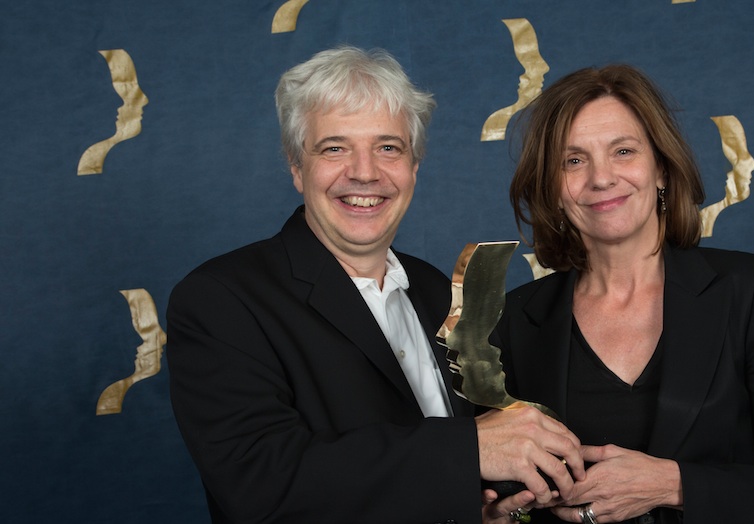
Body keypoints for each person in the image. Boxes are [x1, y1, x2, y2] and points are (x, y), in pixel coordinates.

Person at [166, 46, 584, 524]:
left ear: (414, 166)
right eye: (334, 148)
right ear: (297, 167)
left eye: (388, 148)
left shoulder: (433, 289)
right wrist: (469, 448)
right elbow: (261, 484)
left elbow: (436, 483)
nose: (364, 172)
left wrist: (480, 507)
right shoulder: (221, 299)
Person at [487, 65, 754, 523]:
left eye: (623, 151)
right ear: (552, 189)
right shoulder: (516, 321)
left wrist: (671, 485)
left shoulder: (746, 290)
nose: (601, 178)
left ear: (661, 168)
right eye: (573, 161)